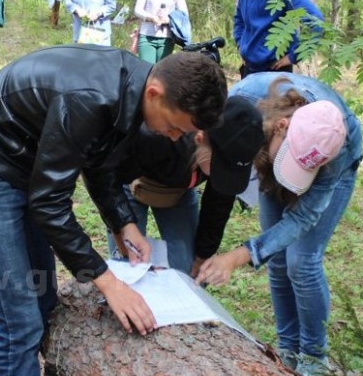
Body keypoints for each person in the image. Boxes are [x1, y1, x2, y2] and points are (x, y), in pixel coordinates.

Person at [0, 49, 226, 376]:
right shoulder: (91, 98)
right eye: (177, 127)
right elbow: (50, 205)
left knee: (41, 297)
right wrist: (108, 282)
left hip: (26, 169)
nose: (175, 138)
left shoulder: (130, 91)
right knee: (17, 320)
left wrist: (124, 223)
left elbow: (97, 160)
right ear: (155, 92)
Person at [195, 73, 363, 376]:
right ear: (282, 127)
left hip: (330, 167)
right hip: (269, 153)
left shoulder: (333, 152)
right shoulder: (244, 101)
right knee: (279, 261)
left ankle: (313, 361)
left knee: (302, 261)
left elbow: (301, 219)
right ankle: (287, 353)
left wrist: (238, 256)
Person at [108, 96, 264, 274]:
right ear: (200, 137)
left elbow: (218, 206)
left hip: (179, 193)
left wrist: (202, 255)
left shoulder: (227, 154)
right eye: (220, 168)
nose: (222, 176)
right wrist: (121, 228)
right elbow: (108, 182)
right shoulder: (157, 137)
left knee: (186, 266)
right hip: (131, 182)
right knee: (127, 265)